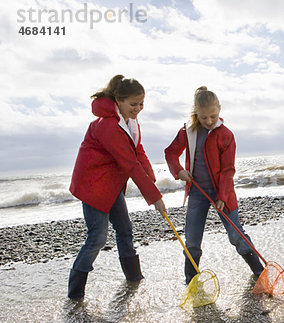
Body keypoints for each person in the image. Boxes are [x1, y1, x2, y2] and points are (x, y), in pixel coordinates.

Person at [68, 74, 167, 299]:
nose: (138, 108)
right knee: (97, 237)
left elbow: (137, 150)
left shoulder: (130, 122)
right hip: (93, 187)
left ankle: (134, 278)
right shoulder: (107, 126)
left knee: (125, 229)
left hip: (112, 186)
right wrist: (155, 197)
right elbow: (129, 163)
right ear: (118, 101)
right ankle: (75, 293)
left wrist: (150, 178)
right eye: (133, 104)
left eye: (141, 103)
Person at [164, 86, 264, 284]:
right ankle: (191, 281)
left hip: (222, 193)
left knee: (236, 235)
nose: (209, 121)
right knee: (192, 239)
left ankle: (259, 272)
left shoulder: (226, 135)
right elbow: (170, 152)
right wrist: (178, 171)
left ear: (219, 109)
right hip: (197, 192)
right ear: (196, 114)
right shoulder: (188, 131)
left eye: (213, 116)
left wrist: (222, 196)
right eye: (203, 118)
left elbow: (228, 170)